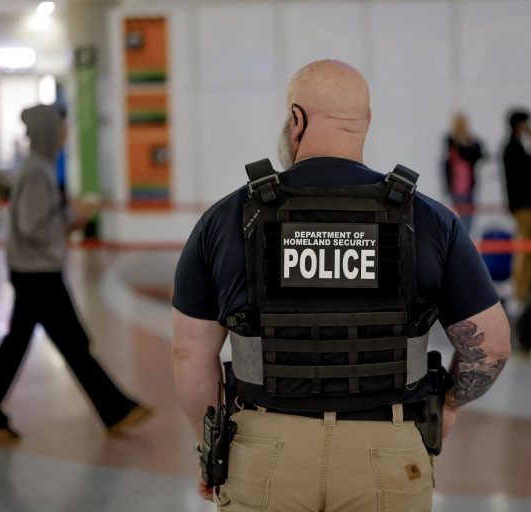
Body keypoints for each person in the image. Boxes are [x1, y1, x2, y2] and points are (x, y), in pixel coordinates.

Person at [172, 60, 510, 511]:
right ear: (366, 121)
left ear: (296, 119)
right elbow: (492, 345)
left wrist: (210, 448)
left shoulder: (228, 218)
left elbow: (190, 354)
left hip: (264, 454)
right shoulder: (428, 219)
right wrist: (448, 406)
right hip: (389, 452)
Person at [0, 104, 152, 442]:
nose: (66, 133)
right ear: (49, 131)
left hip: (34, 271)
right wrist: (74, 217)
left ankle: (114, 409)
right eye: (62, 127)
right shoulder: (38, 171)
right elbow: (32, 225)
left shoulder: (38, 168)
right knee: (64, 343)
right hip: (38, 273)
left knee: (63, 343)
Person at [502, 109, 531, 301]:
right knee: (527, 251)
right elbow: (529, 174)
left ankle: (524, 290)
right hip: (525, 207)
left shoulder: (514, 147)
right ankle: (521, 292)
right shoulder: (513, 148)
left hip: (525, 206)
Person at [442, 112, 486, 232]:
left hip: (468, 185)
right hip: (456, 185)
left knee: (468, 219)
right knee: (458, 217)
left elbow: (480, 154)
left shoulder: (471, 141)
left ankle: (465, 243)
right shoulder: (451, 140)